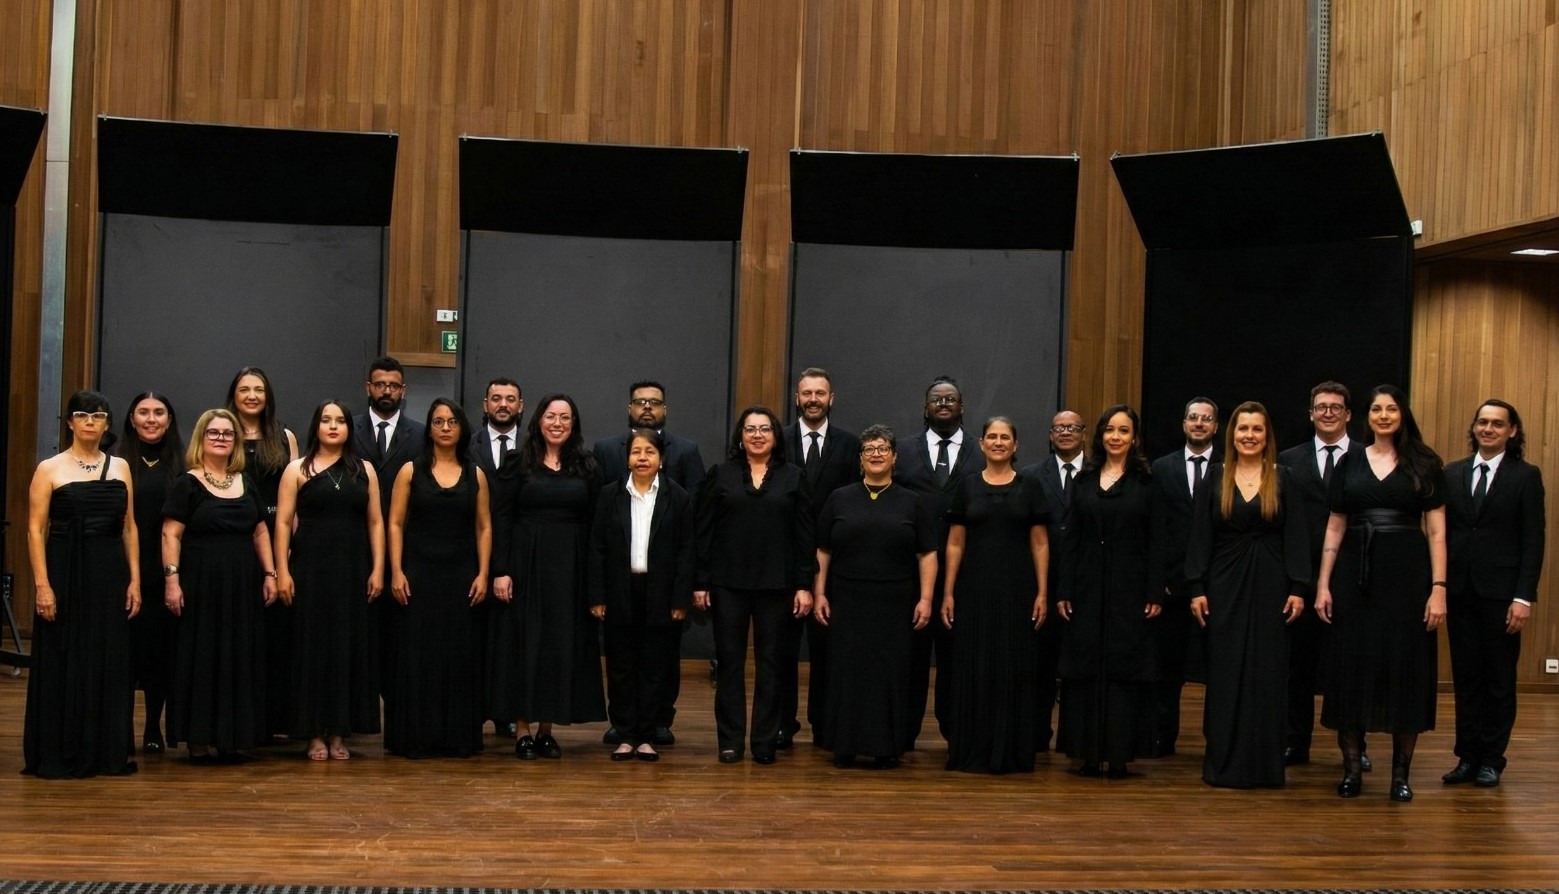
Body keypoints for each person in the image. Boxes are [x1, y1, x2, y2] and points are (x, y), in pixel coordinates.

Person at [1315, 385, 1447, 802]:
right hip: (1353, 576)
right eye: (1377, 409)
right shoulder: (1349, 460)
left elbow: (1438, 531)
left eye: (1392, 408)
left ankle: (1400, 776)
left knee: (1404, 668)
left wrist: (1438, 589)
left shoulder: (1425, 462)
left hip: (1407, 579)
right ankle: (1353, 769)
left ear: (1403, 414)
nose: (1384, 415)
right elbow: (1335, 525)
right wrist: (1323, 584)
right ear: (1366, 416)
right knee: (1351, 667)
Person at [1185, 401, 1310, 787]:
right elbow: (1200, 537)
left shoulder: (1284, 477)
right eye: (1243, 429)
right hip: (1223, 585)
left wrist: (1299, 588)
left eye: (1257, 429)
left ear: (1267, 436)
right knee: (1225, 673)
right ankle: (1223, 763)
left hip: (1272, 585)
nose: (1249, 436)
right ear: (1232, 434)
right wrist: (1196, 588)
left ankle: (1264, 766)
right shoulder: (1216, 477)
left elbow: (1297, 537)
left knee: (1268, 673)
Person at [23, 391, 141, 778]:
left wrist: (135, 580)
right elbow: (35, 529)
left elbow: (129, 527)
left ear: (107, 424)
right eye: (82, 414)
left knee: (107, 657)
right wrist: (42, 585)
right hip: (64, 571)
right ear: (70, 422)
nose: (90, 421)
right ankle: (60, 751)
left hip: (109, 573)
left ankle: (105, 751)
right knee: (63, 654)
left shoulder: (121, 467)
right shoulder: (49, 468)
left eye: (98, 415)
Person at [694, 406, 815, 765]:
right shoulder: (721, 475)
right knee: (729, 663)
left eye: (765, 429)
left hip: (777, 586)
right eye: (750, 429)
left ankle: (764, 741)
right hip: (728, 584)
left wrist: (804, 584)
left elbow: (804, 535)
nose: (758, 435)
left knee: (772, 664)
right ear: (740, 436)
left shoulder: (794, 477)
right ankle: (730, 741)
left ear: (776, 436)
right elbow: (704, 532)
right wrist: (700, 581)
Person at [490, 393, 606, 758]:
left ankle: (546, 729)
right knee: (526, 645)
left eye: (565, 418)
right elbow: (502, 520)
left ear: (574, 425)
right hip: (525, 565)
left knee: (560, 646)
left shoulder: (587, 466)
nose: (558, 423)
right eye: (551, 416)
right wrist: (501, 571)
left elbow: (594, 524)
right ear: (538, 420)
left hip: (570, 568)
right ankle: (522, 729)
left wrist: (593, 579)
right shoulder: (516, 463)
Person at [813, 424, 934, 768]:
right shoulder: (840, 498)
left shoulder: (913, 502)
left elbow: (927, 554)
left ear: (895, 458)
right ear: (860, 459)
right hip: (847, 600)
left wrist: (926, 598)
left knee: (889, 674)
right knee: (847, 672)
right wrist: (819, 592)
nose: (876, 454)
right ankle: (845, 745)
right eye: (869, 449)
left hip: (895, 603)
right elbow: (823, 550)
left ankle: (886, 747)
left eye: (883, 448)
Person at [593, 380, 705, 748]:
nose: (642, 457)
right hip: (620, 589)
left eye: (650, 452)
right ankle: (625, 731)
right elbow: (598, 548)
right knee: (622, 663)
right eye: (636, 452)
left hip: (661, 591)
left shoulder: (679, 497)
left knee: (658, 663)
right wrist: (597, 594)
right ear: (627, 457)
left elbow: (687, 548)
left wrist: (680, 598)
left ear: (661, 459)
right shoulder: (610, 496)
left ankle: (650, 730)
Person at [273, 400, 385, 761]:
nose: (333, 426)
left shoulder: (364, 469)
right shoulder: (296, 469)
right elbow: (281, 523)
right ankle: (313, 734)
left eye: (340, 420)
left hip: (353, 570)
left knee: (346, 648)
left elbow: (376, 523)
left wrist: (379, 568)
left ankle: (339, 732)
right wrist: (282, 572)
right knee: (311, 650)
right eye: (326, 420)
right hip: (309, 571)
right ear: (316, 426)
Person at [163, 408, 277, 763]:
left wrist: (271, 574)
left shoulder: (245, 481)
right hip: (201, 583)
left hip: (242, 583)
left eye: (228, 434)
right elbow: (171, 533)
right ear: (201, 438)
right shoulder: (188, 482)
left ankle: (234, 736)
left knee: (239, 655)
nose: (221, 439)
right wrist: (172, 581)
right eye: (214, 433)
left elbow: (260, 530)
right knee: (204, 655)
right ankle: (199, 738)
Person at [1441, 399, 1544, 788]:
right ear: (1474, 428)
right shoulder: (1451, 474)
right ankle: (1466, 757)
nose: (1488, 429)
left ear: (1512, 431)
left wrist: (1523, 597)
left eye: (1497, 424)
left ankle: (1491, 759)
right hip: (1460, 591)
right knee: (1466, 678)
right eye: (1482, 422)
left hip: (1502, 596)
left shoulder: (1526, 476)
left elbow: (1534, 542)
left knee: (1498, 680)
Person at [1056, 405, 1163, 778]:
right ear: (1100, 436)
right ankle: (1086, 753)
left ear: (1134, 438)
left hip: (1130, 590)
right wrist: (1064, 588)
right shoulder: (1083, 479)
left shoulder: (1148, 481)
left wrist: (1154, 591)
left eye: (1124, 431)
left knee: (1123, 667)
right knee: (1085, 665)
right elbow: (1071, 538)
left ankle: (1119, 754)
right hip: (1086, 588)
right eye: (1110, 430)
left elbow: (1156, 541)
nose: (1116, 437)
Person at [940, 417, 1050, 774]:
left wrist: (1043, 592)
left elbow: (1040, 543)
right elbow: (955, 543)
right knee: (974, 666)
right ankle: (973, 749)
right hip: (972, 591)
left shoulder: (1031, 486)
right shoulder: (967, 486)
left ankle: (1012, 751)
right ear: (983, 444)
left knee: (1013, 667)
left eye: (1005, 437)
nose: (999, 442)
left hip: (1018, 591)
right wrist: (948, 592)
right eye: (992, 437)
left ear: (1016, 446)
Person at [384, 398, 491, 758]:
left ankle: (456, 737)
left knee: (458, 657)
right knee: (417, 656)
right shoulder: (409, 471)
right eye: (438, 421)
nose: (445, 428)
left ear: (462, 428)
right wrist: (396, 571)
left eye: (451, 422)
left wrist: (484, 573)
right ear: (429, 428)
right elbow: (395, 523)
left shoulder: (475, 474)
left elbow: (484, 526)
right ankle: (416, 737)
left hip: (461, 576)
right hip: (418, 575)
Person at [894, 375, 984, 749]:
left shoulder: (983, 452)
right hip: (911, 571)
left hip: (967, 573)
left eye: (951, 399)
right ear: (925, 408)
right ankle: (903, 733)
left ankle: (957, 732)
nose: (943, 404)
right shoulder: (903, 450)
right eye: (936, 399)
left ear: (962, 407)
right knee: (910, 658)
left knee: (958, 659)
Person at [1276, 382, 1359, 768]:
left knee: (1352, 665)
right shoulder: (1287, 460)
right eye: (1321, 407)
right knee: (1298, 667)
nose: (1328, 412)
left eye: (1336, 407)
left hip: (1355, 575)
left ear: (1348, 415)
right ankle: (1296, 742)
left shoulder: (1367, 458)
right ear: (1310, 413)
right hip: (1301, 577)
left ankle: (1356, 747)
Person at [784, 367, 861, 749]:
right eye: (806, 393)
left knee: (828, 651)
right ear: (796, 398)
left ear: (832, 399)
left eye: (820, 393)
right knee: (781, 651)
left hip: (836, 564)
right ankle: (782, 724)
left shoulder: (851, 445)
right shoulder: (777, 441)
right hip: (784, 563)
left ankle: (825, 724)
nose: (813, 399)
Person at [225, 366, 299, 740]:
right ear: (233, 395)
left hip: (276, 535)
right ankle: (242, 718)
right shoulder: (221, 432)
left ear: (267, 396)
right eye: (244, 389)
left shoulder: (284, 437)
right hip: (235, 538)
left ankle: (275, 719)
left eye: (258, 389)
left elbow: (295, 494)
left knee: (276, 632)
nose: (251, 396)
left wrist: (288, 547)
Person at [1147, 396, 1219, 757]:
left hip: (1218, 583)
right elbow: (1154, 529)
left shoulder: (1229, 466)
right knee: (1168, 668)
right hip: (1172, 584)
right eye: (1193, 418)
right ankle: (1163, 736)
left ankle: (1217, 739)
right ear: (1184, 424)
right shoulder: (1161, 468)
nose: (1199, 424)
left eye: (1206, 419)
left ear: (1216, 427)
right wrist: (1157, 578)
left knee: (1217, 666)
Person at [353, 356, 425, 713]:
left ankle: (400, 708)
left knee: (400, 632)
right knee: (360, 632)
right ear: (368, 388)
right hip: (354, 545)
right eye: (379, 384)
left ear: (403, 391)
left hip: (405, 548)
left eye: (393, 386)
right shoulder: (346, 429)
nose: (386, 391)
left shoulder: (420, 434)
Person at [116, 391, 185, 756]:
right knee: (125, 653)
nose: (151, 419)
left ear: (170, 420)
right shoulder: (115, 463)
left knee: (160, 654)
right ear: (131, 418)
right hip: (127, 567)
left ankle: (153, 727)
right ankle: (121, 728)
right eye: (143, 412)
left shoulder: (184, 463)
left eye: (159, 412)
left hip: (167, 571)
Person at [1019, 409, 1087, 752]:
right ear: (1049, 435)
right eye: (1059, 428)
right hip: (1041, 581)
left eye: (1072, 428)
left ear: (1084, 434)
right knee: (1041, 662)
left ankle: (1075, 737)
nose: (1065, 433)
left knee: (1079, 662)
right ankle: (1037, 732)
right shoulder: (1030, 476)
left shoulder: (1098, 473)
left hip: (1086, 583)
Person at [472, 377, 524, 476]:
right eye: (496, 399)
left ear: (520, 406)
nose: (503, 404)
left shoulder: (533, 446)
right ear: (485, 405)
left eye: (510, 399)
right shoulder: (468, 445)